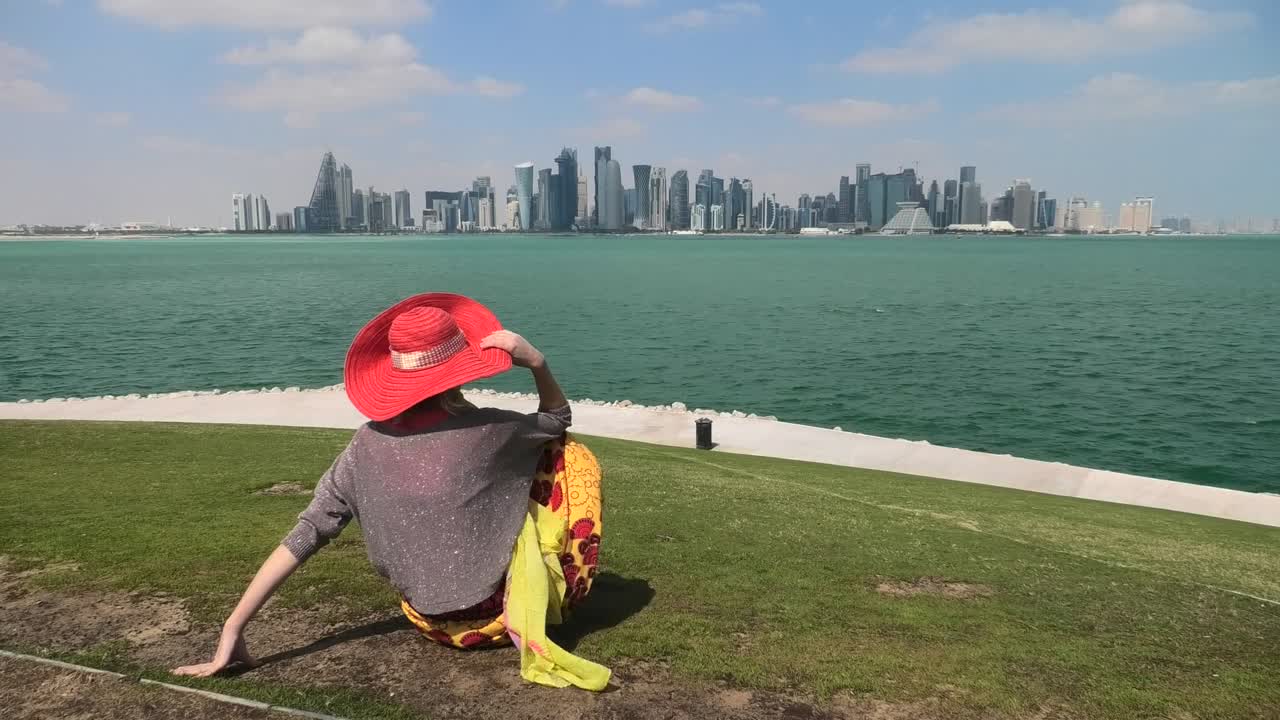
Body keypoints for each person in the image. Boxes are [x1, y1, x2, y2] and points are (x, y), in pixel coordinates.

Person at [173, 293, 608, 690]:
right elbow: (558, 417)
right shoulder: (490, 429)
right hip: (497, 616)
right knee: (569, 457)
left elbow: (307, 534)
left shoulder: (364, 445)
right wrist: (537, 362)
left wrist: (234, 627)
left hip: (428, 620)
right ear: (458, 368)